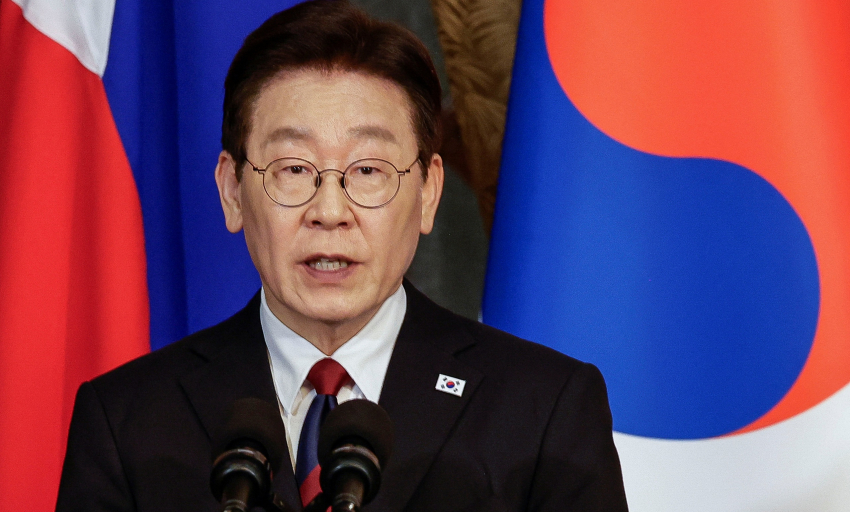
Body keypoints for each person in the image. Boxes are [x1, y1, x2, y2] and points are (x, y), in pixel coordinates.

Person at [56, 1, 628, 511]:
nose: (330, 211)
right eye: (294, 169)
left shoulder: (543, 409)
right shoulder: (127, 420)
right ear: (232, 191)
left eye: (369, 170)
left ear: (428, 193)